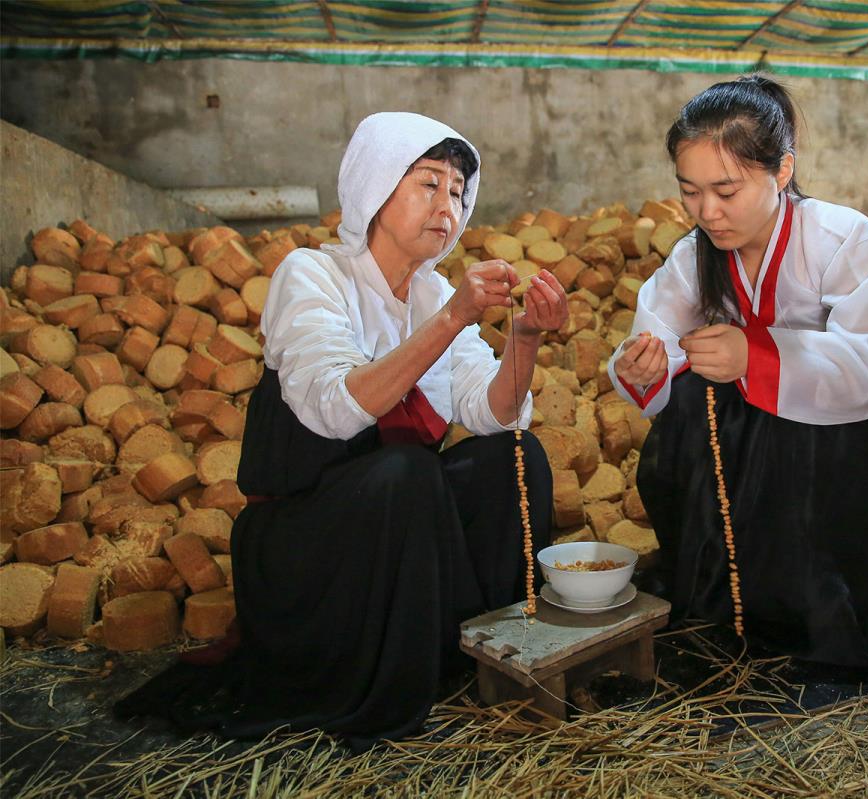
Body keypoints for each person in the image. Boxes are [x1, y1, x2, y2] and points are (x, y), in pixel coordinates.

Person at [117, 112, 567, 746]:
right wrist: (453, 319)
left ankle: (470, 652)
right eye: (428, 184)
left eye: (458, 191)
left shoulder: (437, 294)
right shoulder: (313, 276)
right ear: (375, 189)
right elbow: (335, 408)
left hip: (397, 524)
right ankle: (382, 682)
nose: (447, 205)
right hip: (304, 543)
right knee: (405, 472)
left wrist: (525, 337)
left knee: (514, 456)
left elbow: (491, 411)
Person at [610, 75, 868, 680]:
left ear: (782, 170)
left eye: (726, 190)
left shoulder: (844, 237)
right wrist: (643, 366)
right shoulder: (694, 255)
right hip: (748, 434)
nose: (707, 212)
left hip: (852, 431)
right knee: (687, 403)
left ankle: (823, 612)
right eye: (690, 192)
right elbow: (655, 329)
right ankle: (736, 606)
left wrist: (754, 355)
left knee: (804, 452)